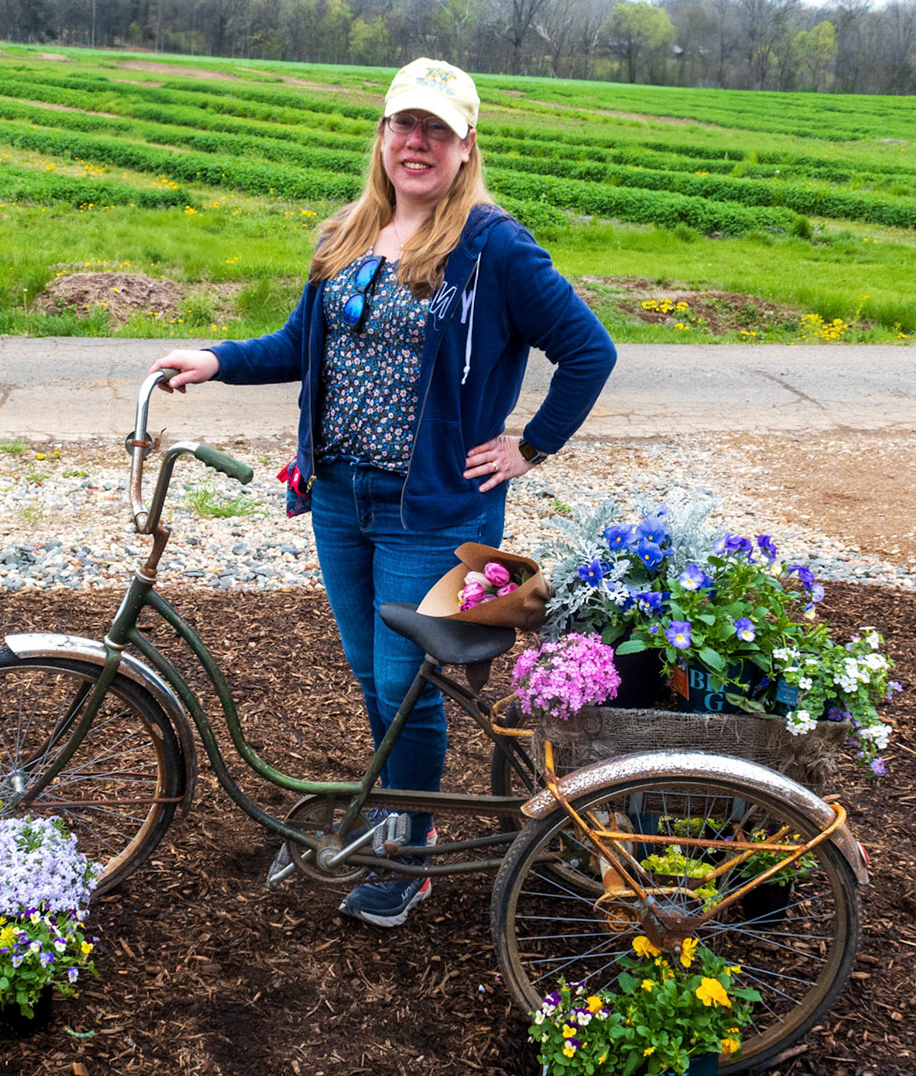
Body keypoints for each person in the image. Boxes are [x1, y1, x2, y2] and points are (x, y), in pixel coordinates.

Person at [150, 57, 615, 927]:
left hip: (430, 508)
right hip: (338, 496)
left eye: (438, 130)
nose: (417, 143)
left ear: (467, 146)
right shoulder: (348, 235)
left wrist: (530, 446)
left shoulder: (493, 248)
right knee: (373, 677)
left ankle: (411, 852)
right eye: (405, 125)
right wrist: (217, 359)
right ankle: (400, 813)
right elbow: (299, 345)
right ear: (383, 135)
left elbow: (590, 350)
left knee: (407, 688)